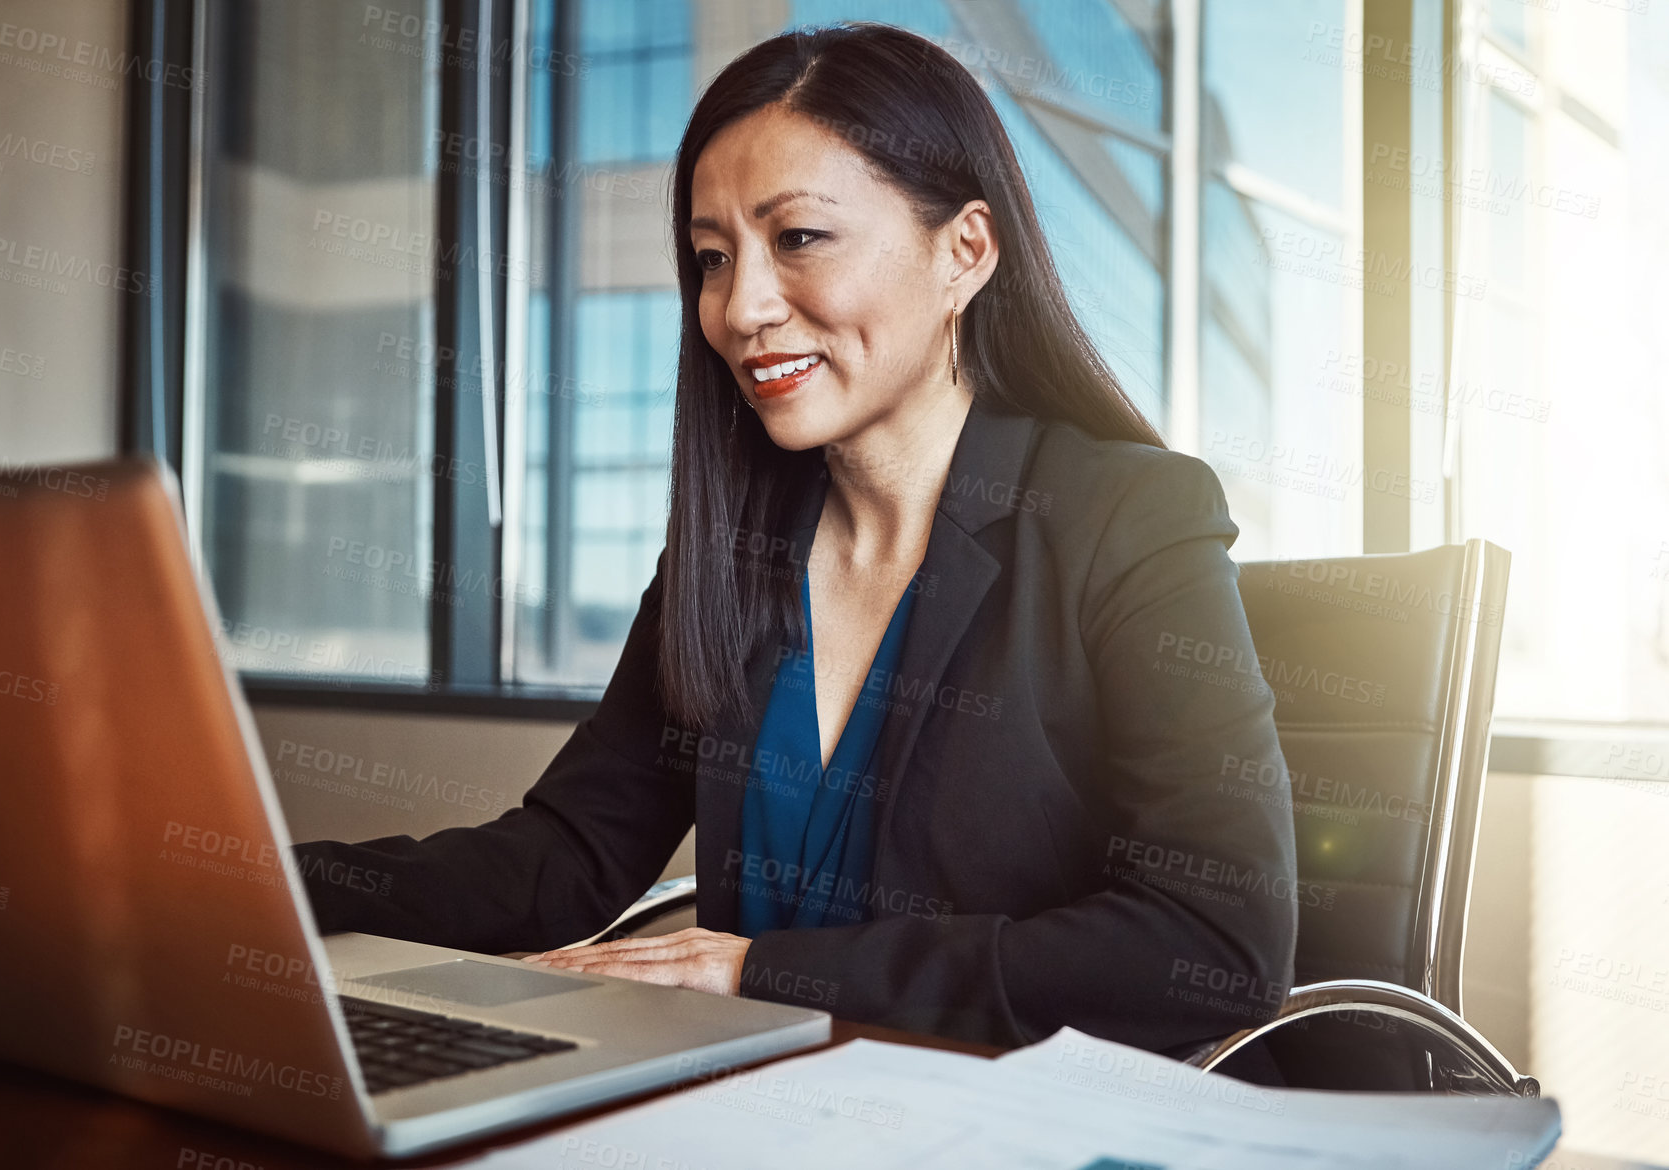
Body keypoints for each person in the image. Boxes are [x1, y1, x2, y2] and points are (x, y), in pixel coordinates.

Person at [295, 22, 1298, 1057]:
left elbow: (1214, 942)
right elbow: (568, 853)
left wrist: (750, 972)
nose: (742, 308)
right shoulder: (733, 555)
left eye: (799, 239)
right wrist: (251, 877)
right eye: (712, 259)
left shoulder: (1129, 519)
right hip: (763, 1111)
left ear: (963, 251)